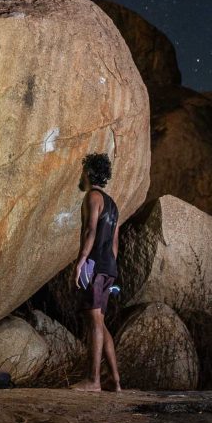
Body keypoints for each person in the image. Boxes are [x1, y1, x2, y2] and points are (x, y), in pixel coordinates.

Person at [71, 153, 123, 392]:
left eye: (83, 171)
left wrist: (82, 261)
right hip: (109, 266)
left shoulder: (93, 196)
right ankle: (115, 380)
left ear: (89, 173)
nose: (81, 176)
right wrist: (110, 268)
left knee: (94, 323)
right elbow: (114, 242)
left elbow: (91, 229)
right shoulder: (113, 204)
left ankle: (93, 381)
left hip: (96, 265)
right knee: (100, 323)